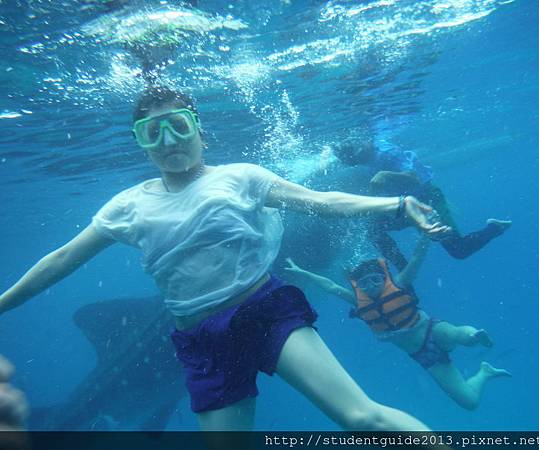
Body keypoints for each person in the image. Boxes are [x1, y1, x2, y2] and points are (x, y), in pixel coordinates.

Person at [0, 86, 453, 432]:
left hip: (264, 312)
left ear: (199, 128)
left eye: (178, 125)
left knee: (363, 418)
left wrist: (396, 205)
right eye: (151, 131)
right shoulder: (125, 206)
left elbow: (320, 201)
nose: (168, 139)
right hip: (199, 338)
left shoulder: (241, 176)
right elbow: (61, 260)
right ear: (139, 142)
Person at [284, 234, 511, 410]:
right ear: (358, 286)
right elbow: (331, 286)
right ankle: (485, 372)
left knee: (460, 335)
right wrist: (302, 272)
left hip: (432, 329)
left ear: (385, 278)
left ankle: (475, 336)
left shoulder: (400, 283)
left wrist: (424, 236)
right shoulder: (357, 300)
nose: (371, 285)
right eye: (365, 283)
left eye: (376, 279)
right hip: (423, 355)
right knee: (469, 402)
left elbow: (416, 259)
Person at [332, 136, 511, 268]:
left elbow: (414, 178)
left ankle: (495, 228)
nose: (357, 162)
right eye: (352, 162)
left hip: (428, 200)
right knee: (373, 230)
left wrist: (385, 175)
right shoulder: (365, 157)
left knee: (458, 250)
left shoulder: (386, 152)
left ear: (364, 144)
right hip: (403, 206)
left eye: (356, 158)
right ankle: (402, 270)